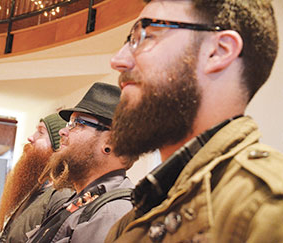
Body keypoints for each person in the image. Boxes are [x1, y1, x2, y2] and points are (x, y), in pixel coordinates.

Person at [105, 0, 283, 242]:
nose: (118, 60)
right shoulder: (138, 214)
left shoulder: (266, 207)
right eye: (129, 39)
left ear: (218, 51)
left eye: (145, 36)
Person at [26, 82, 136, 243]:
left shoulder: (110, 213)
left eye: (76, 124)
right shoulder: (82, 199)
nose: (62, 132)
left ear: (111, 143)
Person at [0, 113, 73, 243]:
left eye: (40, 132)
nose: (31, 137)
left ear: (58, 145)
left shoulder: (62, 195)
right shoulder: (39, 188)